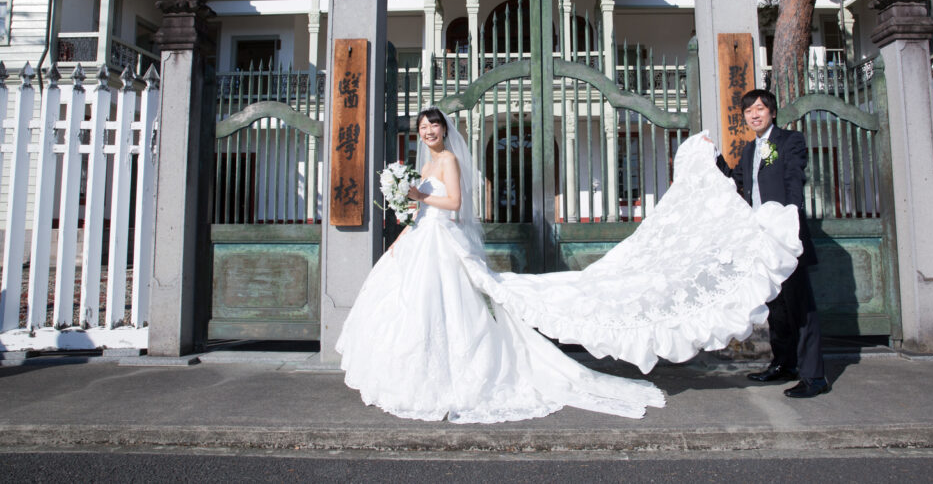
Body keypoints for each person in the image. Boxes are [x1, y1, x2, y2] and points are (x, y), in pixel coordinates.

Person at [337, 107, 804, 423]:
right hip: (423, 244)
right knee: (418, 312)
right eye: (422, 128)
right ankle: (421, 372)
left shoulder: (450, 164)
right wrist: (406, 219)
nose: (428, 133)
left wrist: (418, 196)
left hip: (446, 243)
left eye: (433, 128)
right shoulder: (421, 165)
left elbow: (455, 203)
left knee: (458, 311)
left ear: (444, 131)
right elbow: (422, 209)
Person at [716, 89, 829, 399]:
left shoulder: (790, 141)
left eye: (760, 109)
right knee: (776, 306)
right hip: (760, 239)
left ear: (772, 112)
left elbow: (794, 177)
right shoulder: (750, 150)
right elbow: (736, 182)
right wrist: (712, 156)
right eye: (749, 111)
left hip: (784, 236)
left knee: (800, 307)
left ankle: (814, 376)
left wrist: (790, 215)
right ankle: (783, 363)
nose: (755, 114)